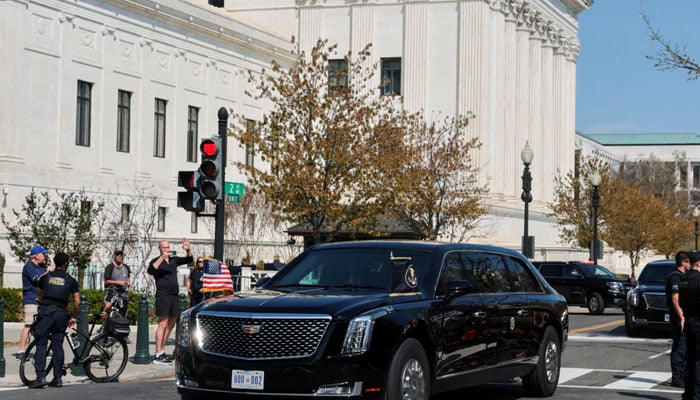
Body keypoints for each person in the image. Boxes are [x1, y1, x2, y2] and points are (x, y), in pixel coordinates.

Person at [29, 252, 80, 389]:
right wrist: (74, 316)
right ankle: (57, 378)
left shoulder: (45, 278)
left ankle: (40, 377)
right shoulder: (71, 280)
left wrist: (43, 303)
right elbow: (77, 302)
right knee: (58, 345)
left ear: (55, 263)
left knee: (41, 343)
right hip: (61, 315)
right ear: (65, 264)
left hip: (46, 313)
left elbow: (38, 295)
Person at [148, 238, 192, 365]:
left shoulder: (174, 260)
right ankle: (157, 354)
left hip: (174, 295)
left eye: (168, 247)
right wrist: (162, 257)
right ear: (160, 249)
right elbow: (151, 270)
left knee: (171, 323)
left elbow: (189, 260)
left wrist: (188, 249)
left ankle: (161, 351)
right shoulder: (156, 261)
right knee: (163, 323)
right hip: (163, 295)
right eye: (164, 247)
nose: (167, 249)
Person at [15, 244, 49, 360]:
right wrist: (49, 272)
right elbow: (39, 279)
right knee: (29, 324)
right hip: (31, 299)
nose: (44, 255)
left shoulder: (43, 266)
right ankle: (21, 350)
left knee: (43, 326)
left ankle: (43, 350)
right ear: (36, 256)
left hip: (42, 300)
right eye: (43, 253)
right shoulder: (29, 267)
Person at [667, 250, 690, 387]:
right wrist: (682, 317)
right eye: (688, 262)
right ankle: (677, 378)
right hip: (677, 317)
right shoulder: (675, 277)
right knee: (679, 348)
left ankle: (683, 375)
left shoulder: (682, 276)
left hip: (683, 315)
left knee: (685, 347)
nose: (690, 265)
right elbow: (675, 299)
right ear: (683, 262)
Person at [679, 250, 700, 400]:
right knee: (698, 361)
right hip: (698, 323)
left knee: (690, 358)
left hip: (689, 321)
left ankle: (688, 393)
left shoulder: (683, 278)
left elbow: (680, 301)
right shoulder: (699, 279)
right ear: (698, 263)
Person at [102, 249, 131, 321]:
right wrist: (118, 282)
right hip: (111, 290)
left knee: (124, 310)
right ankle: (103, 322)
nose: (119, 256)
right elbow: (106, 281)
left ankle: (122, 325)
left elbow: (128, 277)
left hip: (123, 291)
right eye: (118, 255)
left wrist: (128, 282)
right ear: (114, 256)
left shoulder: (126, 267)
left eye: (121, 255)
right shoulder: (110, 267)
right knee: (108, 306)